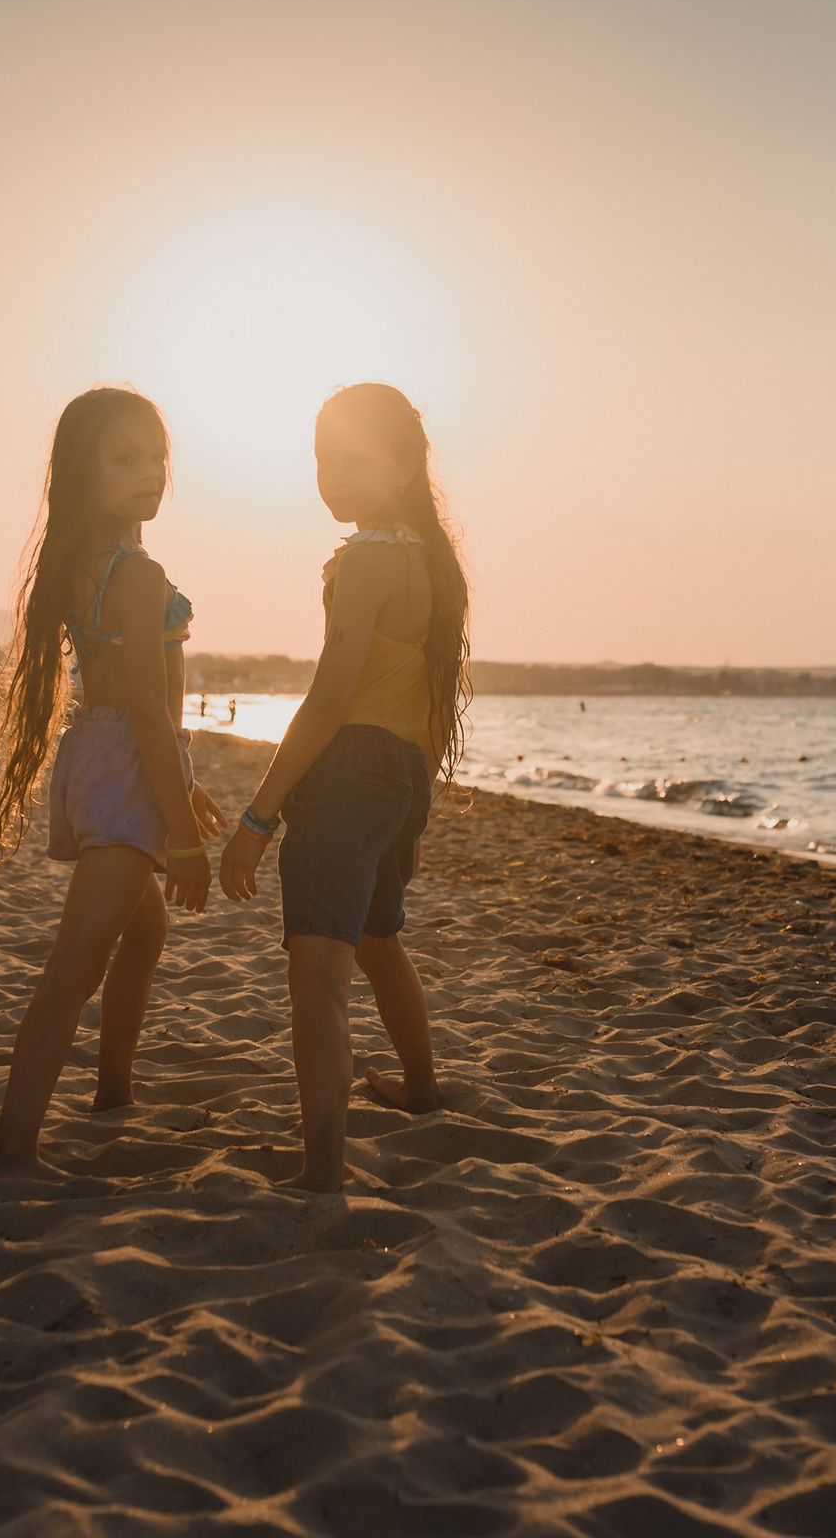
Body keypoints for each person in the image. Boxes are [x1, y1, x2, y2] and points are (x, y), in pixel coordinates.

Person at [220, 383, 470, 1193]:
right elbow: (430, 710)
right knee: (376, 941)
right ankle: (423, 1091)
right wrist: (415, 805)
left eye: (356, 459)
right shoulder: (427, 562)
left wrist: (258, 815)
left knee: (319, 970)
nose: (335, 475)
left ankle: (321, 1168)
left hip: (353, 773)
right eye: (325, 459)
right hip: (399, 775)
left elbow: (330, 698)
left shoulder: (367, 562)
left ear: (403, 468)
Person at [0, 388, 224, 1178]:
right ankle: (13, 1148)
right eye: (124, 459)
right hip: (127, 766)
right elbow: (151, 715)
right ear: (83, 475)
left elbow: (132, 708)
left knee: (142, 935)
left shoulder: (87, 561)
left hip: (99, 757)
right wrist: (183, 840)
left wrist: (181, 790)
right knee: (76, 962)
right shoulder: (137, 573)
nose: (149, 472)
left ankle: (113, 1092)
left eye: (156, 456)